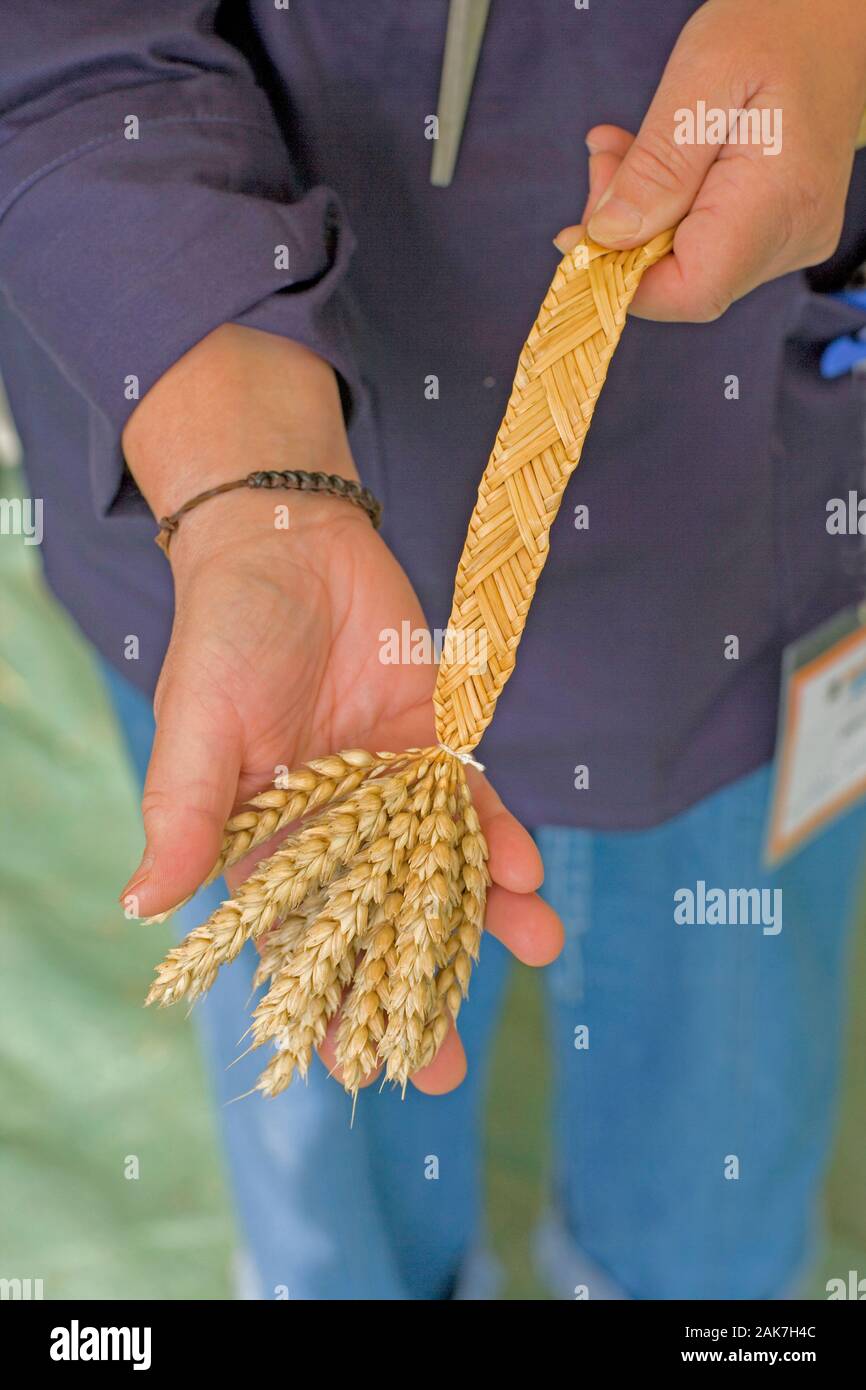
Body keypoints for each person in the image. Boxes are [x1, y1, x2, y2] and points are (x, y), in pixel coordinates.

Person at [2, 0, 866, 1300]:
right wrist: (245, 482)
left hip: (739, 569)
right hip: (240, 578)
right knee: (332, 1195)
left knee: (708, 1203)